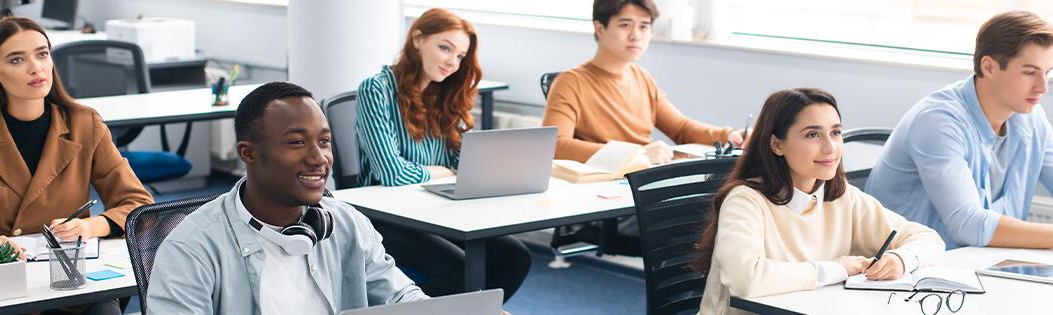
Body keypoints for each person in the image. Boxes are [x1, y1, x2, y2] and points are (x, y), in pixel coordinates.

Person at [147, 82, 428, 314]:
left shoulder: (347, 223)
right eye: (297, 142)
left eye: (324, 141)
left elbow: (401, 298)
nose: (319, 159)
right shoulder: (191, 248)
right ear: (248, 153)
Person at [0, 17, 153, 314]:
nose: (36, 67)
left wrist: (89, 226)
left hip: (68, 279)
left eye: (42, 54)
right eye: (17, 59)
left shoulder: (84, 123)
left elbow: (138, 203)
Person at [694, 88, 945, 314]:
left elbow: (928, 239)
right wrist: (838, 268)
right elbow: (746, 279)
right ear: (777, 144)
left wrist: (901, 260)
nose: (830, 148)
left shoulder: (842, 197)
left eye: (835, 133)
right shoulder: (745, 201)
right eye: (813, 135)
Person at [541, 0, 748, 250]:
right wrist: (634, 153)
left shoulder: (641, 77)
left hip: (648, 186)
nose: (636, 35)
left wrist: (730, 134)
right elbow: (556, 146)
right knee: (712, 220)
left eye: (644, 27)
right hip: (613, 198)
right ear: (600, 28)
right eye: (625, 25)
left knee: (730, 207)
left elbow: (681, 128)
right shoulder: (570, 82)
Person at [354, 8, 530, 301]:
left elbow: (465, 165)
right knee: (460, 269)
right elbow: (392, 174)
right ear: (418, 39)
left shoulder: (443, 95)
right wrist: (445, 172)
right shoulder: (377, 89)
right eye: (445, 48)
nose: (452, 61)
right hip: (384, 216)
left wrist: (482, 163)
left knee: (515, 257)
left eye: (460, 56)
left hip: (433, 211)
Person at [865, 11, 1053, 249]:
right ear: (989, 67)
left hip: (986, 266)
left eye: (1047, 73)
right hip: (915, 273)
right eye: (1029, 73)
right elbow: (968, 225)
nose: (1042, 87)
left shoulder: (1031, 118)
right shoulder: (938, 122)